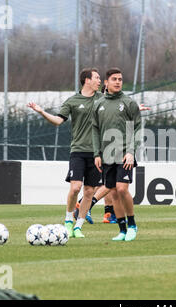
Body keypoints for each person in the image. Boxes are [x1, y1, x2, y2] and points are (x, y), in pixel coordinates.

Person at [27, 68, 103, 239]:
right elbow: (58, 121)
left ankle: (78, 227)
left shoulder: (102, 99)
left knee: (90, 191)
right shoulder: (73, 101)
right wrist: (41, 112)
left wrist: (134, 109)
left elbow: (116, 109)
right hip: (78, 151)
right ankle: (68, 221)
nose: (100, 81)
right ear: (87, 80)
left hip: (97, 153)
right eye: (97, 78)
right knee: (75, 187)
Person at [92, 67, 142, 241]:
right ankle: (122, 230)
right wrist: (97, 154)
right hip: (106, 155)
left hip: (124, 154)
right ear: (106, 82)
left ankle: (132, 225)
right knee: (113, 192)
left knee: (122, 189)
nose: (118, 82)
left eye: (120, 79)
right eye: (114, 79)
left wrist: (130, 152)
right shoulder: (98, 104)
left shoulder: (129, 103)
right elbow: (95, 130)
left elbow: (136, 129)